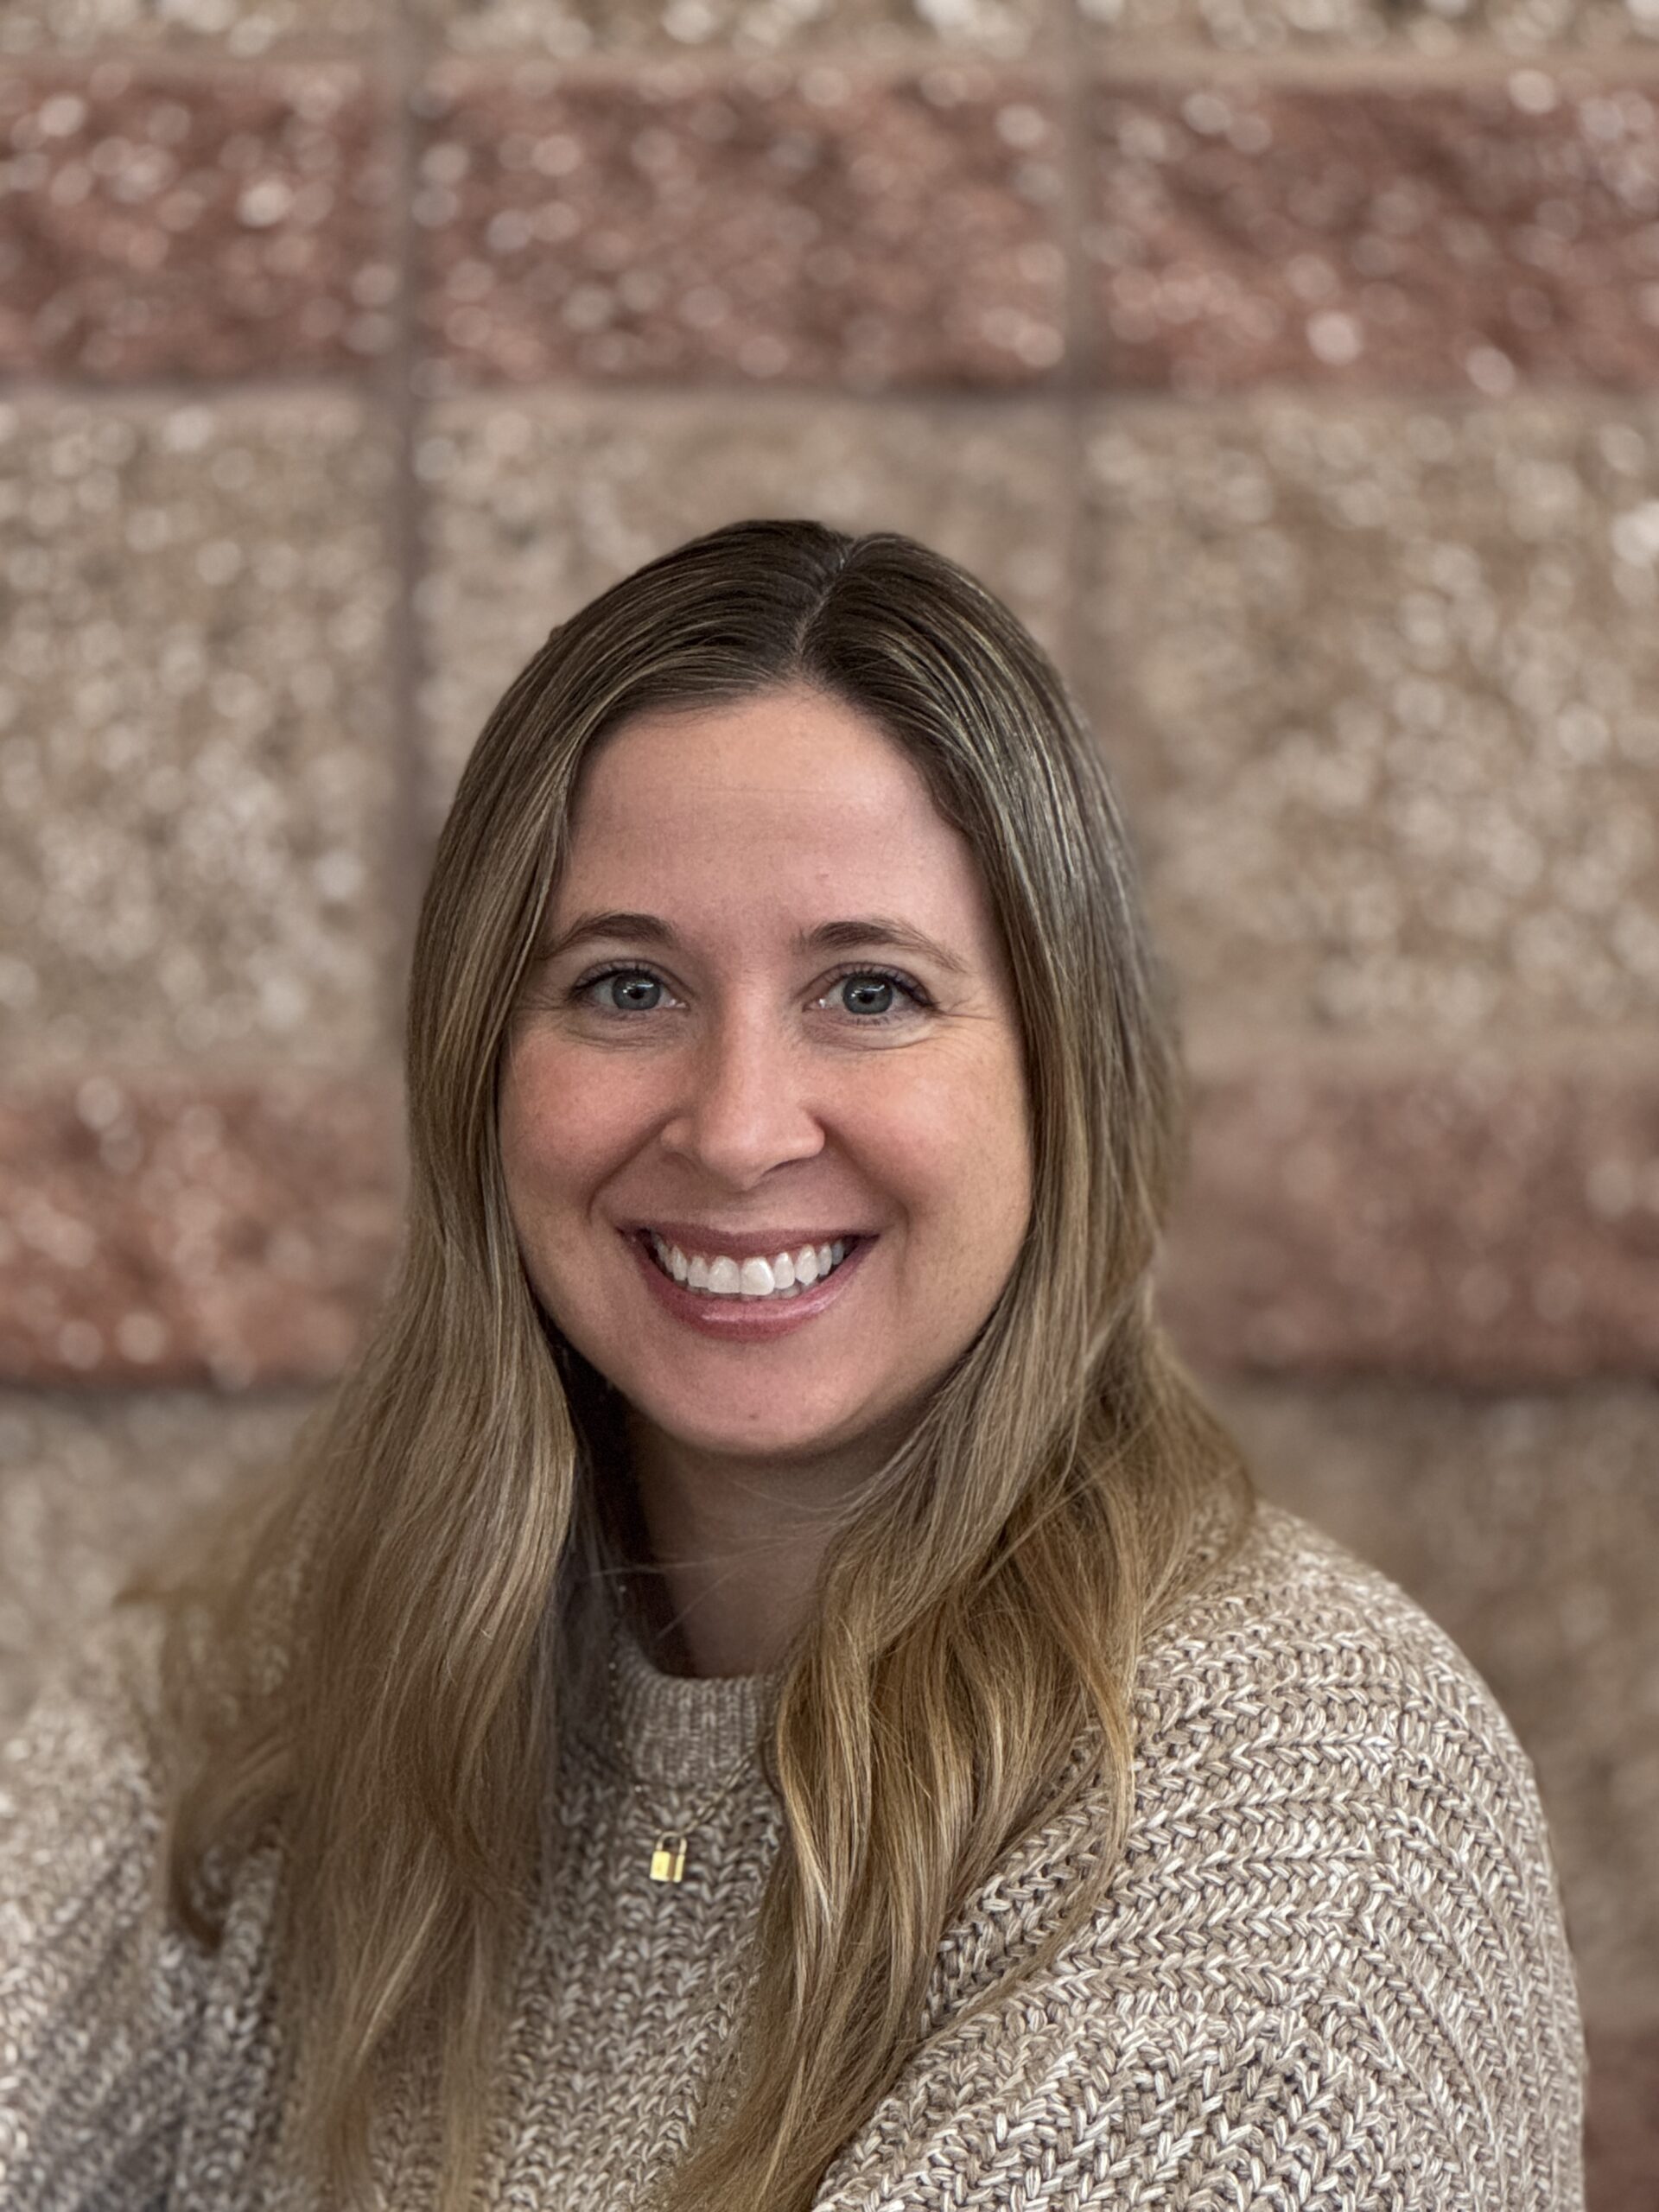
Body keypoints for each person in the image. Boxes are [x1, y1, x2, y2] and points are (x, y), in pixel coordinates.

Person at [1, 519, 1583, 2212]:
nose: (741, 1127)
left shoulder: (1298, 1790)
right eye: (625, 985)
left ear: (1065, 1079)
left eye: (872, 991)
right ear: (479, 1072)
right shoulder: (249, 1693)